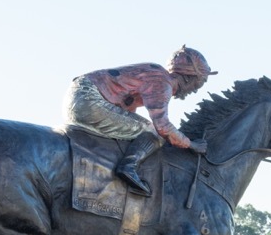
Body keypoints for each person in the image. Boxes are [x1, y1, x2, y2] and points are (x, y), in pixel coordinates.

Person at [65, 46, 216, 195]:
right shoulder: (162, 83)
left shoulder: (155, 75)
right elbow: (163, 127)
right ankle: (128, 166)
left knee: (138, 129)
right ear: (188, 77)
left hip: (78, 97)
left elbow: (126, 110)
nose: (196, 90)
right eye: (200, 83)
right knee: (154, 133)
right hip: (87, 100)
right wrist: (191, 144)